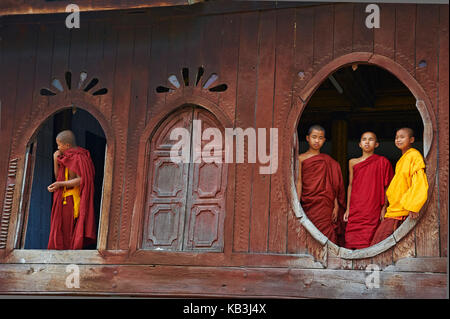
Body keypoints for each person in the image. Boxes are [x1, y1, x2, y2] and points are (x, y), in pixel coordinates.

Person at [370, 127, 428, 245]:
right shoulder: (402, 159)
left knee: (380, 242)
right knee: (380, 244)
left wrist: (414, 205)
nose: (398, 140)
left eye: (402, 137)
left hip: (403, 210)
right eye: (396, 137)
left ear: (411, 139)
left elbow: (419, 180)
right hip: (394, 209)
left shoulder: (414, 155)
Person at [296, 125, 346, 245]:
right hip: (308, 202)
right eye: (314, 137)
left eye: (320, 138)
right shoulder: (300, 159)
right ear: (307, 138)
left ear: (324, 140)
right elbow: (299, 181)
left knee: (326, 232)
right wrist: (297, 203)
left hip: (325, 204)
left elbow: (332, 185)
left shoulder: (328, 161)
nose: (317, 140)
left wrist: (335, 205)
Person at [343, 131, 394, 249]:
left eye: (371, 139)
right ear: (359, 144)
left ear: (376, 144)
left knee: (370, 239)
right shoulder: (352, 162)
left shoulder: (383, 162)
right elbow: (350, 185)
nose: (367, 142)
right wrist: (348, 208)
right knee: (352, 240)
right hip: (356, 206)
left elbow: (388, 186)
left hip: (373, 206)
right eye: (364, 139)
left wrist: (384, 206)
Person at [47, 130, 97, 250]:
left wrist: (60, 184)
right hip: (64, 197)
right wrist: (55, 159)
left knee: (69, 230)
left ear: (67, 145)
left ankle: (70, 256)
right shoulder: (66, 158)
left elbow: (82, 180)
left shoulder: (79, 158)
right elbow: (58, 176)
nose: (58, 147)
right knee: (62, 229)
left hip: (73, 199)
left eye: (59, 145)